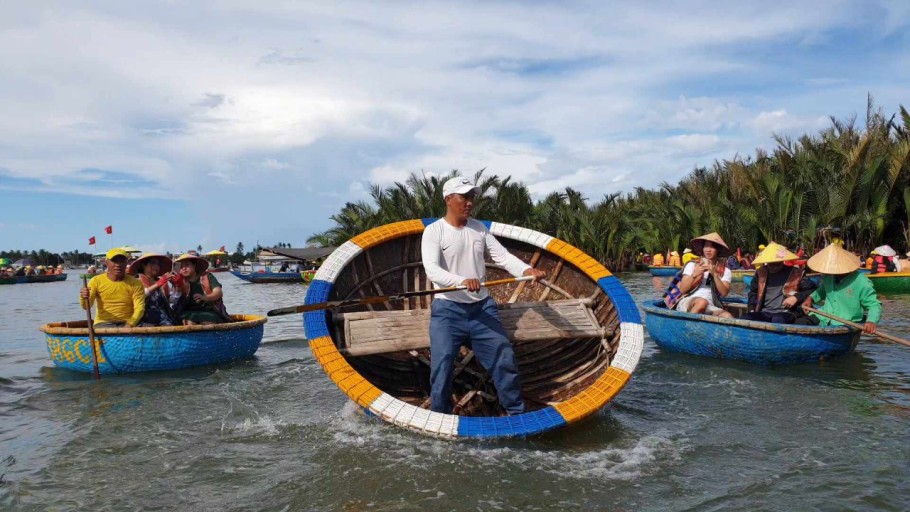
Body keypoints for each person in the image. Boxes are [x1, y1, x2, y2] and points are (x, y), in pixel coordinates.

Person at [421, 176, 546, 415]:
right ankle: (440, 417)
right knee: (442, 366)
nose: (469, 202)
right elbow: (432, 270)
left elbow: (502, 257)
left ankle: (516, 413)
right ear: (448, 199)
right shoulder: (434, 231)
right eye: (464, 197)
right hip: (448, 311)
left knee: (504, 358)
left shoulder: (479, 229)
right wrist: (461, 281)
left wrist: (526, 270)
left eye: (472, 198)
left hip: (482, 308)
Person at [801, 243, 881, 333]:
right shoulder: (829, 277)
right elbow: (822, 291)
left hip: (847, 322)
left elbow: (874, 305)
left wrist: (871, 321)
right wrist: (810, 298)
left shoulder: (861, 282)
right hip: (824, 316)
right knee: (800, 322)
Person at [742, 243, 817, 324]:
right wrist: (752, 309)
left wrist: (796, 298)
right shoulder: (760, 273)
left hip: (786, 312)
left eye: (777, 263)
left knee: (778, 320)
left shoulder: (796, 273)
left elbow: (812, 288)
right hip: (764, 311)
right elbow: (753, 292)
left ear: (782, 261)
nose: (774, 266)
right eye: (771, 264)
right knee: (746, 318)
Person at [663, 232, 733, 318]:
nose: (708, 250)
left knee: (727, 316)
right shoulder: (692, 265)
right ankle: (687, 327)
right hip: (687, 301)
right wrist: (694, 275)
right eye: (706, 246)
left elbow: (724, 293)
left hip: (710, 305)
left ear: (718, 250)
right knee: (702, 302)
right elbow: (682, 290)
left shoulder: (725, 271)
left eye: (712, 247)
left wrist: (714, 274)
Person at [79, 248, 146, 327]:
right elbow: (86, 306)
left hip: (127, 322)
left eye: (122, 261)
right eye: (114, 261)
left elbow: (139, 308)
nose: (118, 264)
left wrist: (131, 323)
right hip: (104, 323)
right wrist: (83, 297)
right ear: (106, 263)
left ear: (126, 263)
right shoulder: (96, 281)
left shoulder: (136, 283)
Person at [128, 253, 188, 326]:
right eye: (153, 263)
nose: (156, 266)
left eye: (158, 264)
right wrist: (157, 285)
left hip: (164, 320)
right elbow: (138, 296)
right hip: (143, 320)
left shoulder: (162, 281)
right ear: (143, 265)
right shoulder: (136, 281)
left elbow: (171, 303)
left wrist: (178, 287)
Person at [175, 253, 230, 325]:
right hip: (188, 313)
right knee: (189, 322)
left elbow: (218, 292)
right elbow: (174, 300)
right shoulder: (179, 281)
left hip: (211, 311)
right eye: (181, 267)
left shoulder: (207, 276)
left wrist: (205, 297)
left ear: (194, 266)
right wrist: (177, 286)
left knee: (207, 322)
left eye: (187, 265)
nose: (184, 268)